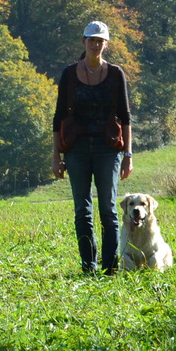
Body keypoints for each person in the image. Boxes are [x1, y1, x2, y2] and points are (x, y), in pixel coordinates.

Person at [52, 20, 133, 274]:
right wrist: (56, 156)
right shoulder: (68, 75)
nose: (96, 44)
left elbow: (126, 116)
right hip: (76, 150)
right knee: (82, 211)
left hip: (107, 149)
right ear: (83, 42)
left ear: (106, 44)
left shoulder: (116, 74)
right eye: (92, 40)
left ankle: (110, 267)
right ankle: (89, 266)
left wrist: (128, 154)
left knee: (108, 209)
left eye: (100, 41)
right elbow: (57, 118)